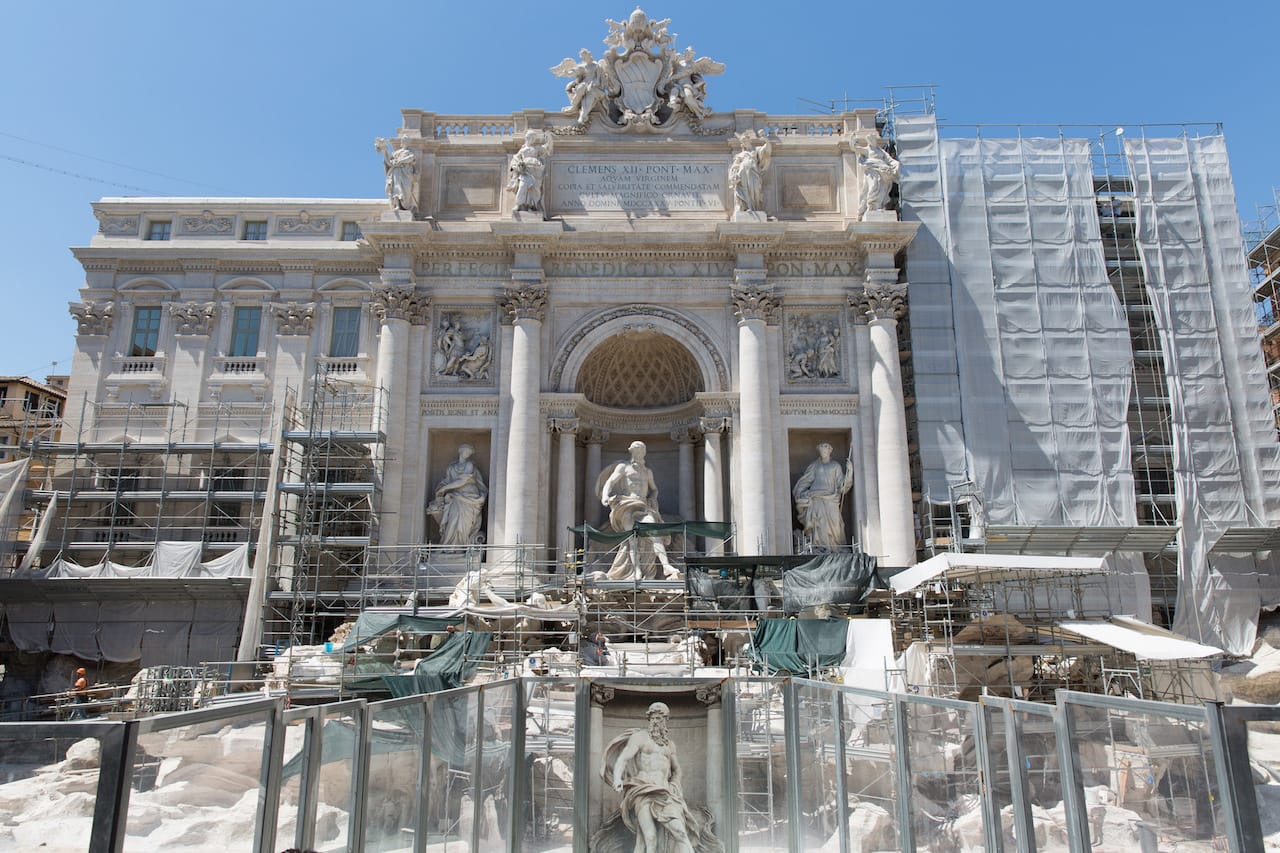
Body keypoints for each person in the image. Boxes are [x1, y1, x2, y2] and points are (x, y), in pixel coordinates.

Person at [602, 702, 717, 853]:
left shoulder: (669, 745)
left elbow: (677, 770)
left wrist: (675, 785)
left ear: (665, 721)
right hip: (643, 791)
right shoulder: (639, 737)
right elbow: (623, 759)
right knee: (649, 838)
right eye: (654, 718)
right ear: (649, 719)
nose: (656, 721)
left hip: (665, 793)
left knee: (681, 833)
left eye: (660, 718)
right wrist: (617, 778)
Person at [599, 441, 678, 580]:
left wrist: (653, 498)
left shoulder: (647, 472)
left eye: (641, 450)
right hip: (627, 505)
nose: (639, 453)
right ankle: (636, 570)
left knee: (655, 533)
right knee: (632, 539)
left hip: (643, 506)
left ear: (644, 453)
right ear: (631, 452)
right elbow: (610, 482)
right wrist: (605, 495)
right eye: (636, 450)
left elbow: (654, 489)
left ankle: (665, 565)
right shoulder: (623, 467)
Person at [792, 442, 854, 551]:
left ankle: (835, 547)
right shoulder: (815, 465)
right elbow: (806, 480)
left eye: (825, 451)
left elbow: (842, 484)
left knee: (835, 524)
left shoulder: (835, 466)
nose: (823, 453)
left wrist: (849, 472)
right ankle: (819, 547)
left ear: (830, 452)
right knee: (818, 523)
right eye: (821, 451)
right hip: (816, 497)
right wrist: (799, 493)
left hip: (831, 499)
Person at [428, 444, 487, 547]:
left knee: (465, 524)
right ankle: (449, 546)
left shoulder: (469, 465)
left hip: (470, 497)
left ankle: (462, 546)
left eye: (469, 453)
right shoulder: (451, 467)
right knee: (452, 522)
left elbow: (462, 481)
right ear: (461, 451)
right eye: (466, 451)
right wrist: (441, 489)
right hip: (454, 497)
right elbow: (447, 481)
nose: (468, 454)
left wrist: (445, 488)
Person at [508, 130, 553, 213]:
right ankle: (519, 204)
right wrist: (517, 166)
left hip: (536, 170)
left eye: (532, 138)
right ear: (526, 138)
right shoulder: (522, 150)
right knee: (522, 186)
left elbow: (548, 149)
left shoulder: (537, 148)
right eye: (528, 137)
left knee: (535, 188)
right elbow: (515, 159)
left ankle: (533, 205)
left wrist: (549, 138)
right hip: (525, 171)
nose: (530, 139)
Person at [855, 138, 900, 219]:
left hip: (883, 170)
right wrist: (853, 141)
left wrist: (896, 164)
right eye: (870, 138)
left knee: (882, 188)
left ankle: (878, 206)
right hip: (872, 170)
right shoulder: (867, 149)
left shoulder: (881, 151)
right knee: (874, 186)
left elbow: (889, 159)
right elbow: (855, 148)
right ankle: (872, 206)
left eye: (872, 138)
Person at [728, 131, 771, 214]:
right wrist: (733, 175)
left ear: (749, 140)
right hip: (743, 174)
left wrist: (766, 140)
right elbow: (734, 166)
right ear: (742, 144)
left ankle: (755, 207)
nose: (744, 142)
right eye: (743, 141)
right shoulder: (740, 154)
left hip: (753, 173)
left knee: (755, 191)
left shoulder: (757, 150)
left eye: (746, 140)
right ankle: (747, 207)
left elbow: (767, 151)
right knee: (744, 190)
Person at [375, 137, 418, 214]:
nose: (405, 142)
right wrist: (385, 148)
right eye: (404, 141)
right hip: (397, 172)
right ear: (401, 142)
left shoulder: (409, 153)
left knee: (406, 189)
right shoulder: (396, 153)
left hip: (405, 174)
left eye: (406, 141)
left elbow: (411, 158)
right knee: (396, 188)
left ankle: (405, 206)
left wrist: (400, 161)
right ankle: (397, 205)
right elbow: (390, 159)